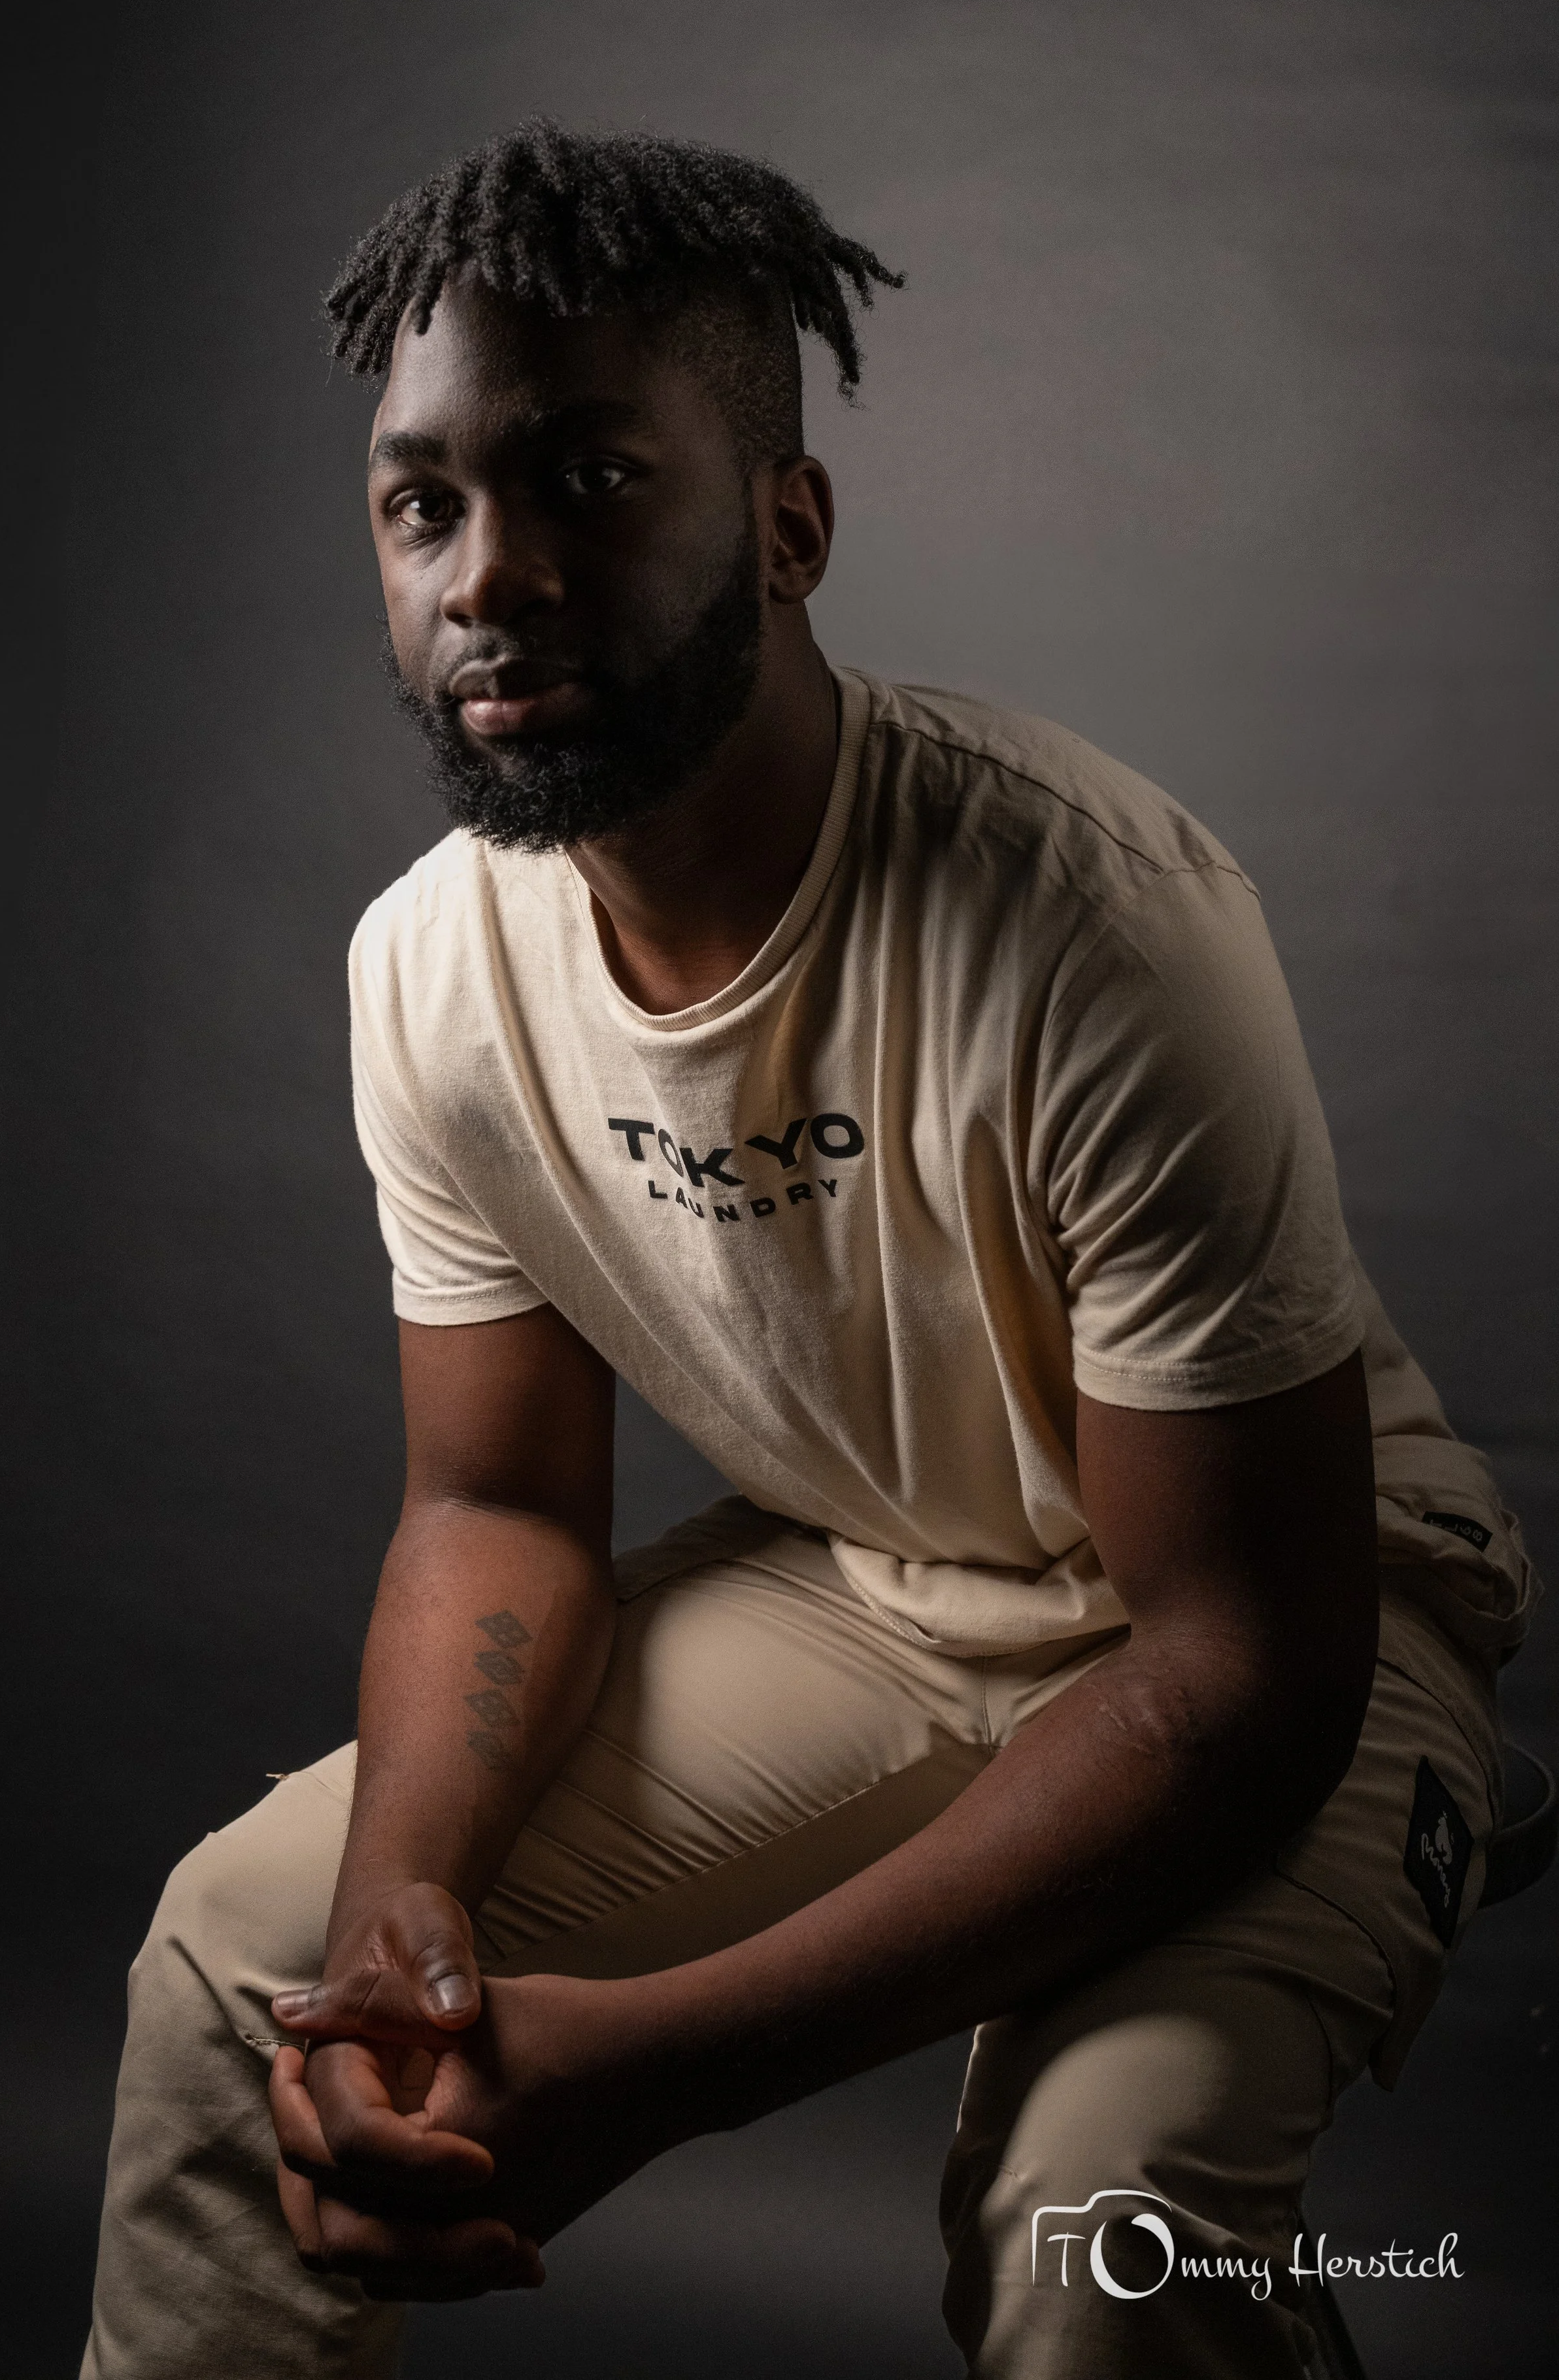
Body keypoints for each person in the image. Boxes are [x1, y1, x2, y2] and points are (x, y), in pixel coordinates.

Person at [81, 121, 1535, 2380]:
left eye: (587, 480)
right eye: (422, 505)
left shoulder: (1093, 917)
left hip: (1288, 1621)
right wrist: (395, 1922)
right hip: (885, 1589)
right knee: (244, 1966)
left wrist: (658, 2062)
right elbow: (494, 1505)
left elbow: (1233, 1665)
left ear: (788, 528)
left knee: (1098, 2223)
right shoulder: (429, 969)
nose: (491, 575)